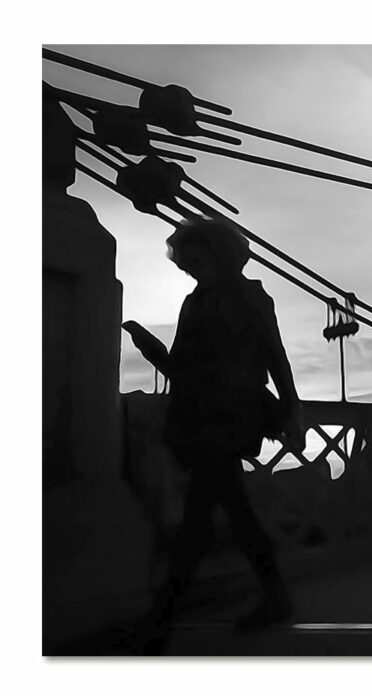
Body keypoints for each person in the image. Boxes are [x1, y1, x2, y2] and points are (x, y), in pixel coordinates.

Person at [124, 218, 305, 649]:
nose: (187, 269)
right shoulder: (195, 302)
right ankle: (271, 594)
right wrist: (153, 350)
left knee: (200, 516)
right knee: (228, 509)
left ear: (218, 254)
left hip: (227, 419)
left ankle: (162, 620)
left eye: (194, 260)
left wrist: (292, 408)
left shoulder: (250, 298)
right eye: (185, 264)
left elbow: (274, 357)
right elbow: (184, 371)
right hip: (201, 417)